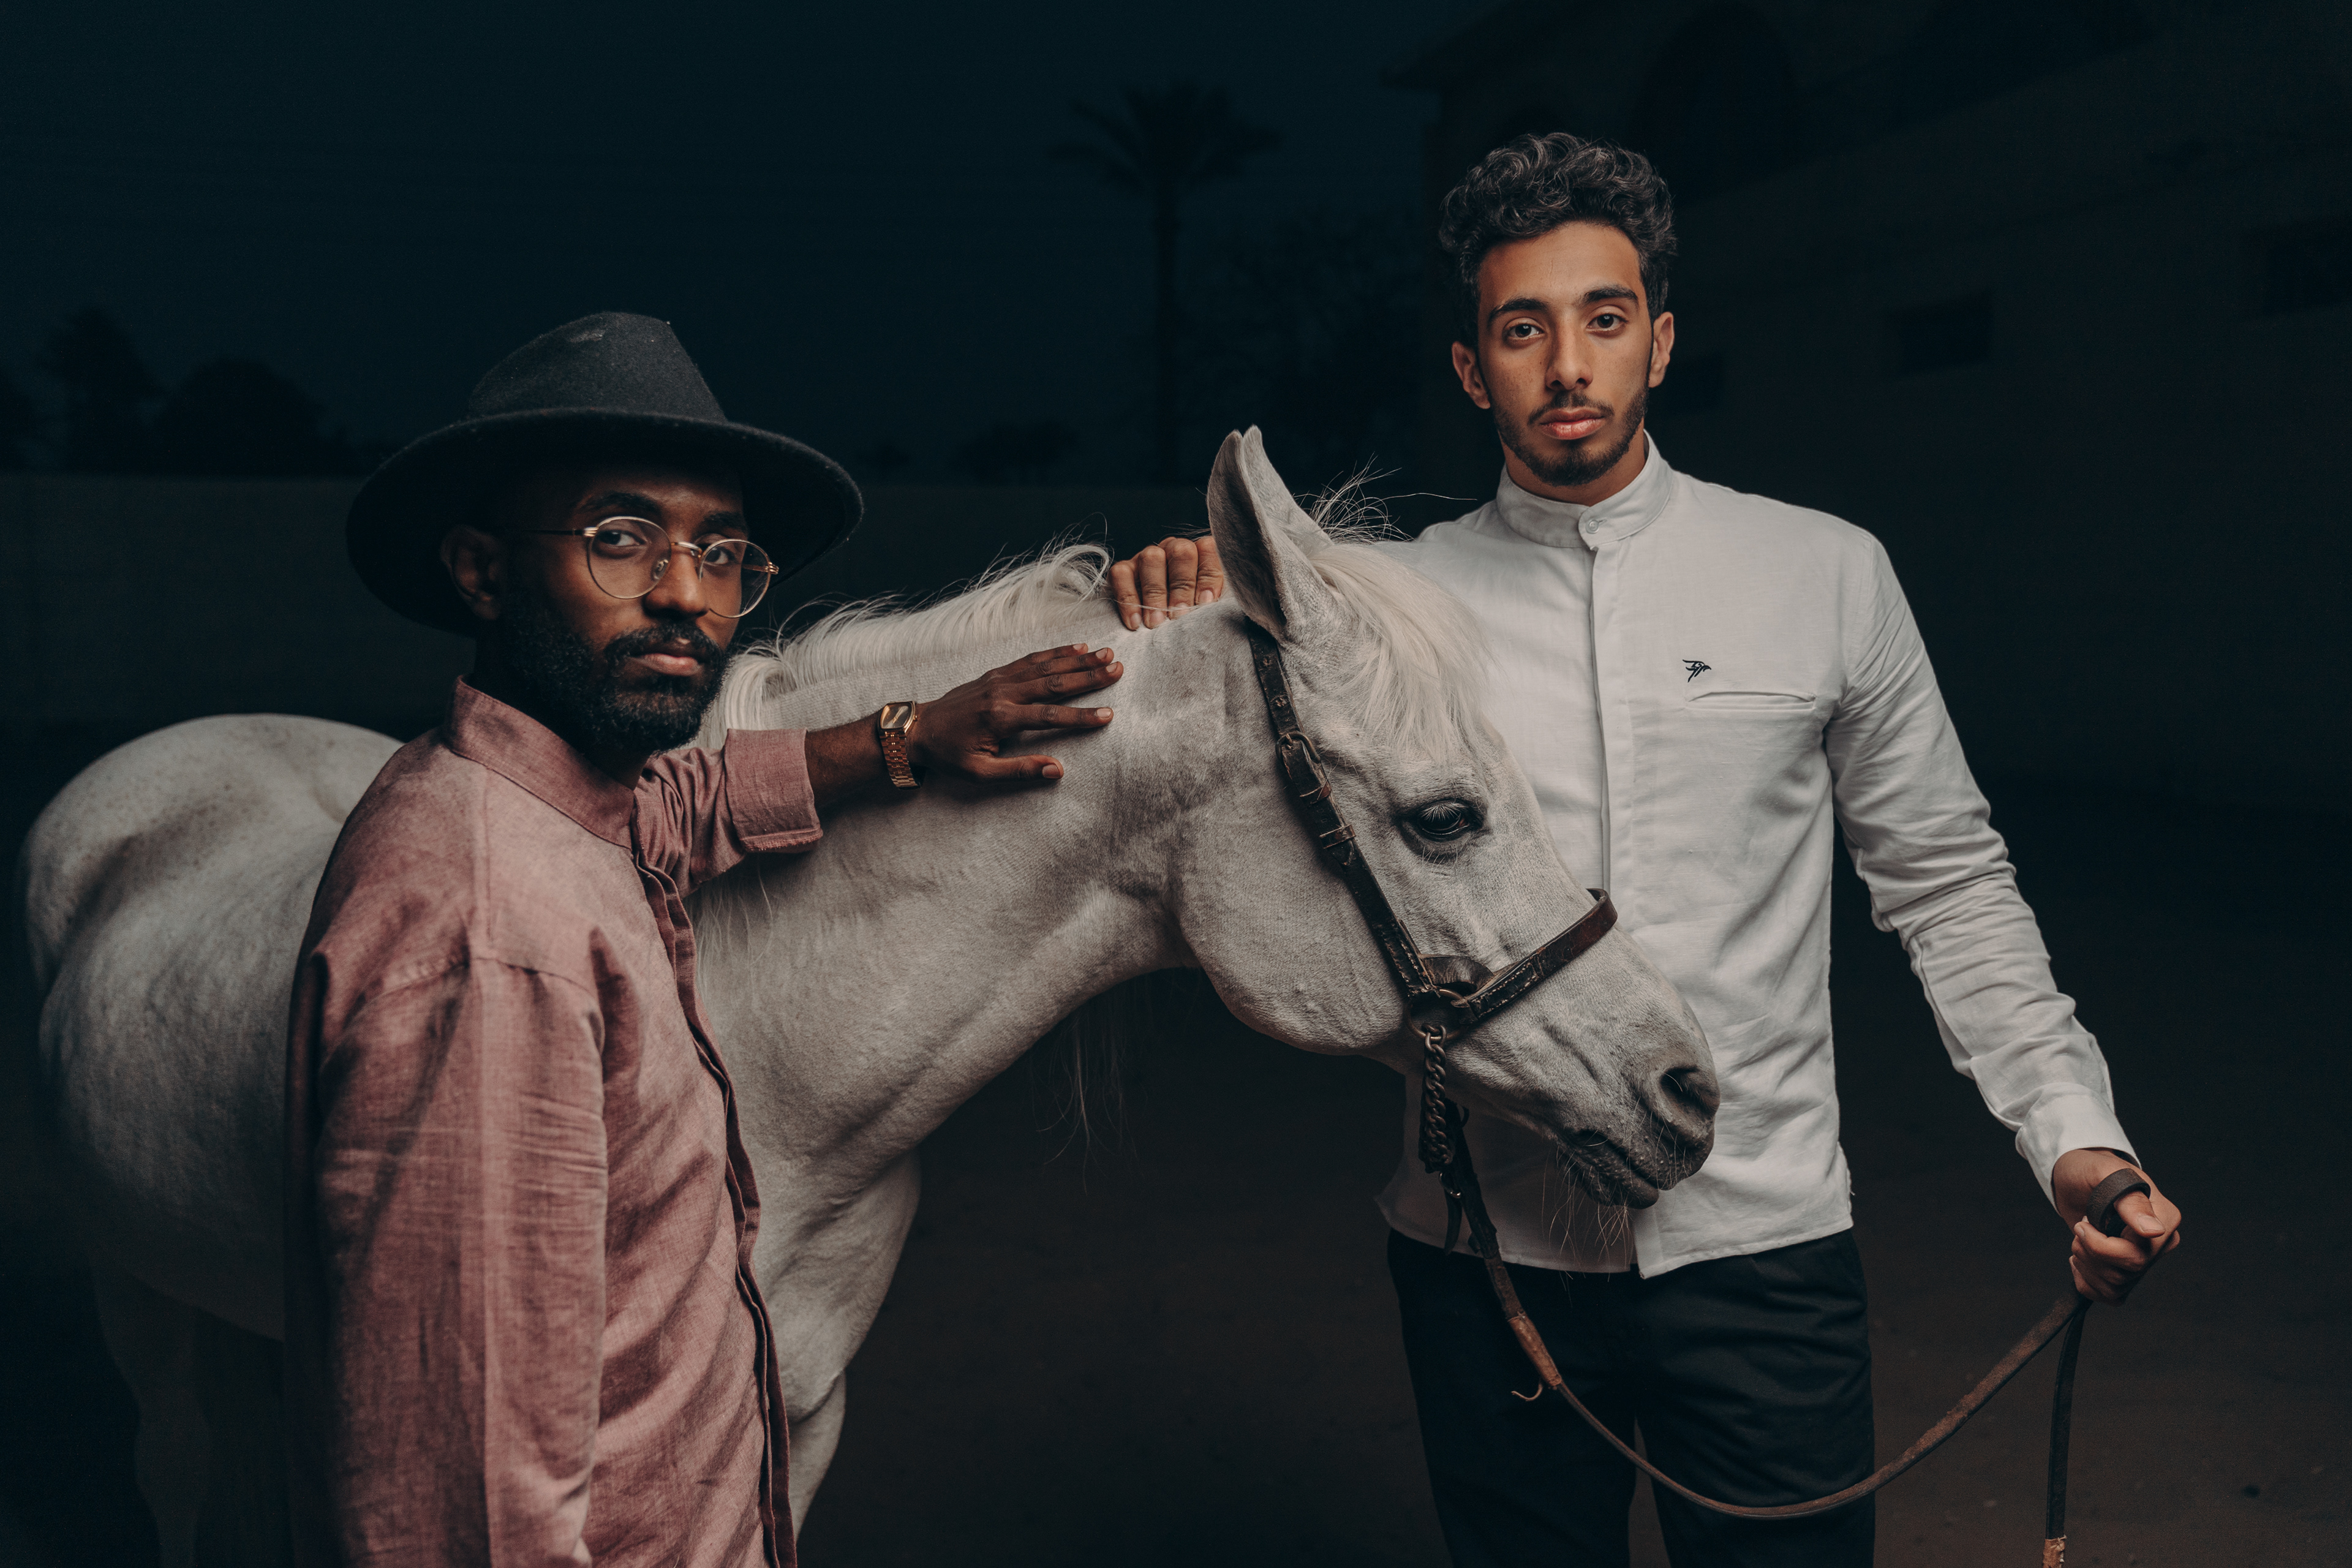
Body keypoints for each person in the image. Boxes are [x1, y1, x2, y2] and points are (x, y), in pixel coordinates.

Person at [1110, 135, 2183, 1566]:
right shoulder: (1385, 612)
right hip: (1485, 1262)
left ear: (1661, 342)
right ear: (1470, 368)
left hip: (1767, 1254)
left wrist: (2076, 1138)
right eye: (1522, 328)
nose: (1568, 364)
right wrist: (1171, 589)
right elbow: (1202, 763)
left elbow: (1947, 883)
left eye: (1605, 318)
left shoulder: (1825, 573)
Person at [286, 313, 1123, 1567]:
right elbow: (470, 1523)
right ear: (481, 571)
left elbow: (680, 805)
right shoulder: (491, 941)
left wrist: (905, 736)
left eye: (722, 551)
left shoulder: (555, 801)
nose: (687, 593)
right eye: (620, 537)